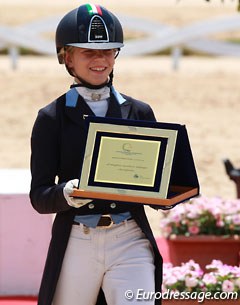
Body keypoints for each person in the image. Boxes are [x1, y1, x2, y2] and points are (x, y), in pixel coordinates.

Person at [30, 4, 163, 305]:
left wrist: (168, 195)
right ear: (66, 57)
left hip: (130, 237)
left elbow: (155, 180)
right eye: (88, 52)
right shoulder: (51, 118)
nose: (100, 59)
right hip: (77, 239)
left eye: (108, 51)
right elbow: (39, 196)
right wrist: (67, 192)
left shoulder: (140, 112)